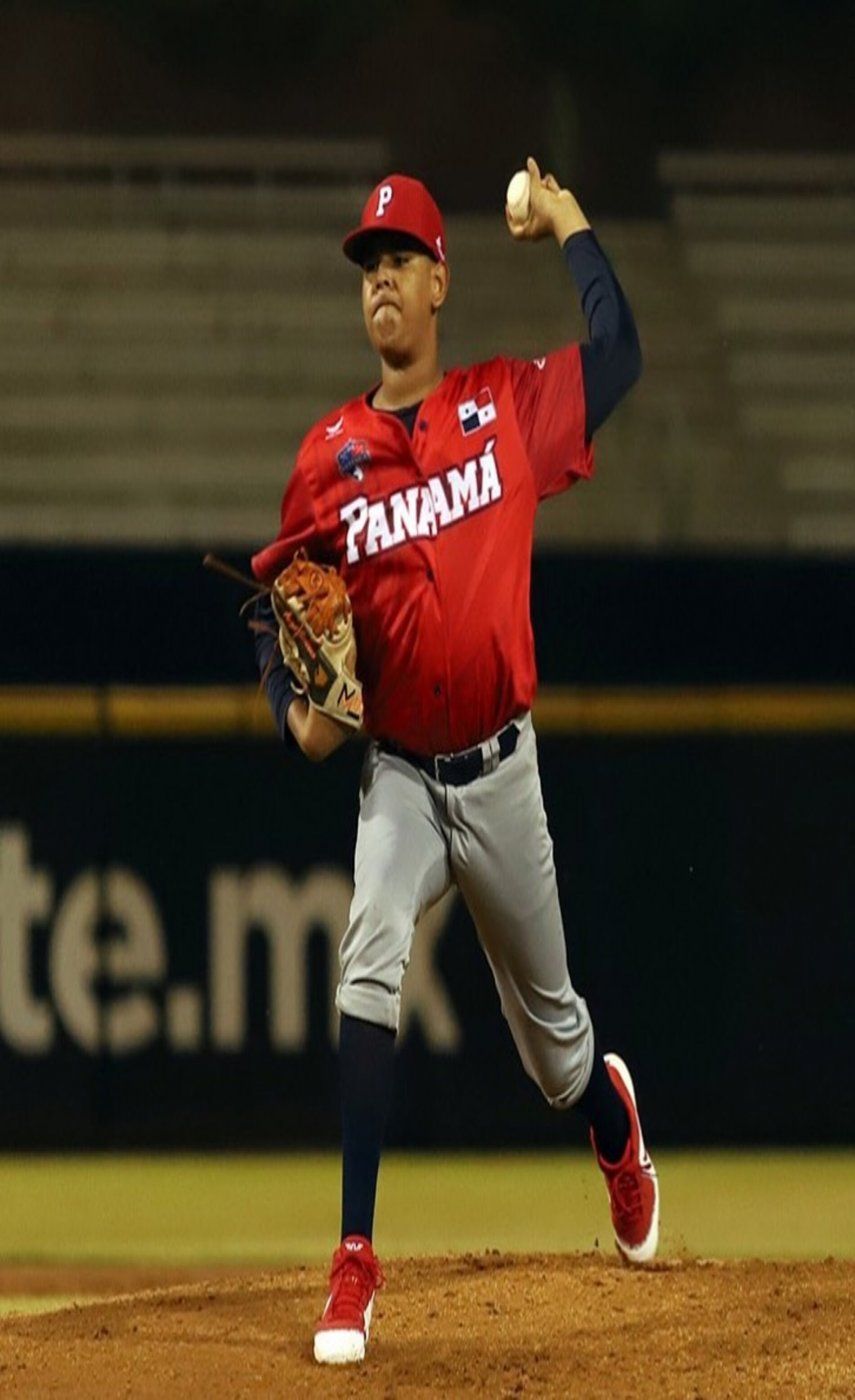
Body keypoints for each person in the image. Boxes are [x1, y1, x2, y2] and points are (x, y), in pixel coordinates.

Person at [250, 158, 658, 1366]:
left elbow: (622, 353)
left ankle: (611, 1122)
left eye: (399, 263)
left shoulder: (506, 404)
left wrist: (571, 220)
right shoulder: (327, 457)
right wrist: (294, 708)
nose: (380, 282)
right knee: (368, 949)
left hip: (501, 771)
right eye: (367, 267)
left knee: (554, 1051)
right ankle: (356, 1258)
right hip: (400, 776)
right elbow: (272, 604)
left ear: (440, 281)